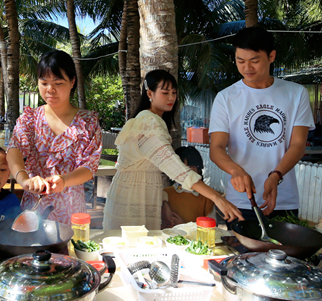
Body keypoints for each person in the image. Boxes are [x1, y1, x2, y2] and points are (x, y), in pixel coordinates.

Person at [103, 70, 241, 230]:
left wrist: (163, 203)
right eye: (165, 92)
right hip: (132, 200)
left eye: (174, 93)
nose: (171, 98)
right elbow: (175, 168)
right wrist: (217, 198)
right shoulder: (149, 122)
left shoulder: (149, 119)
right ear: (150, 93)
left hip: (136, 195)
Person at [209, 27, 315, 221]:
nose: (247, 67)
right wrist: (236, 171)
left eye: (255, 61)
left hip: (284, 200)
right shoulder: (226, 98)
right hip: (240, 202)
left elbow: (298, 145)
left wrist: (276, 176)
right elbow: (216, 148)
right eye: (240, 61)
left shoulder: (296, 93)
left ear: (271, 56)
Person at [7, 50, 101, 224]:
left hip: (71, 209)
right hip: (34, 207)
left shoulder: (88, 122)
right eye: (44, 83)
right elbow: (14, 149)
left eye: (58, 83)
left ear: (72, 82)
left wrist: (64, 181)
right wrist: (24, 180)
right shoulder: (30, 118)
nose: (50, 89)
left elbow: (90, 167)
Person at [161, 146, 216, 227]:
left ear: (199, 170)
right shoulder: (165, 194)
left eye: (191, 167)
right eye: (182, 168)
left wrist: (186, 226)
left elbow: (211, 228)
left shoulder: (207, 197)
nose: (186, 173)